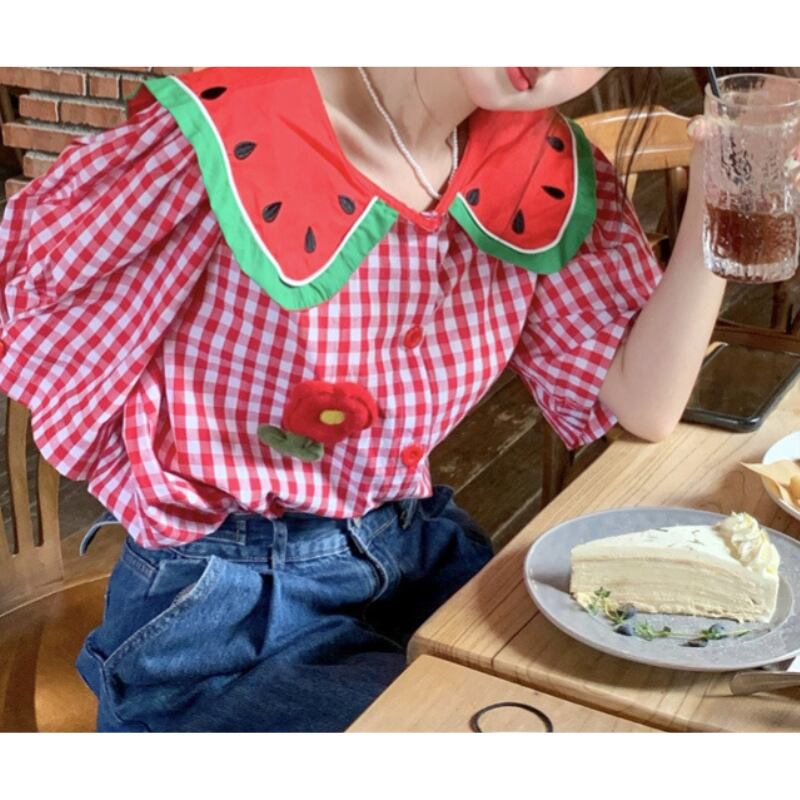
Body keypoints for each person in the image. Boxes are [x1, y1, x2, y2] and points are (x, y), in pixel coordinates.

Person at [0, 66, 731, 732]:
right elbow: (34, 293)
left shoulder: (543, 168)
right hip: (225, 613)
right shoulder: (220, 133)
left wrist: (721, 197)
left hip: (418, 556)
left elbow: (645, 404)